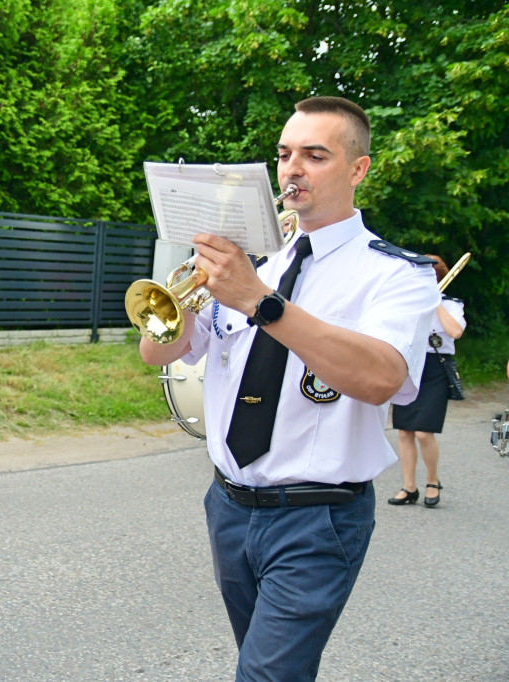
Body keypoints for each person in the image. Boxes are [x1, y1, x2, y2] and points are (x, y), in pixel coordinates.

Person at [138, 96, 439, 680]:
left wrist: (259, 300)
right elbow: (158, 351)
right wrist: (175, 295)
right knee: (272, 667)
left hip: (317, 517)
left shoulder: (395, 274)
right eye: (283, 154)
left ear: (359, 169)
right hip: (228, 504)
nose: (292, 168)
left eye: (315, 155)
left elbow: (382, 378)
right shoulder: (255, 264)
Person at [389, 256, 465, 508]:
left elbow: (455, 332)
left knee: (423, 432)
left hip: (436, 367)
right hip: (411, 364)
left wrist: (435, 302)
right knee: (405, 430)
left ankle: (432, 480)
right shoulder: (407, 303)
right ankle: (408, 486)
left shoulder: (451, 305)